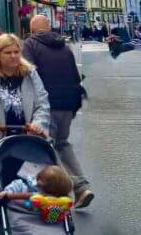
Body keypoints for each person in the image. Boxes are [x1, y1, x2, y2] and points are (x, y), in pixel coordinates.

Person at [23, 15, 93, 208]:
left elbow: (29, 74)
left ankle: (72, 186)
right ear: (49, 28)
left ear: (31, 30)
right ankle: (82, 186)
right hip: (69, 104)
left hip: (48, 105)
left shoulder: (30, 45)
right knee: (62, 143)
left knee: (47, 146)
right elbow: (75, 76)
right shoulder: (64, 46)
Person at [0, 33, 51, 183]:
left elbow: (42, 103)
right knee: (2, 186)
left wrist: (38, 123)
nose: (13, 56)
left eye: (16, 52)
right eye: (8, 53)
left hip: (28, 139)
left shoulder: (30, 74)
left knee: (31, 185)